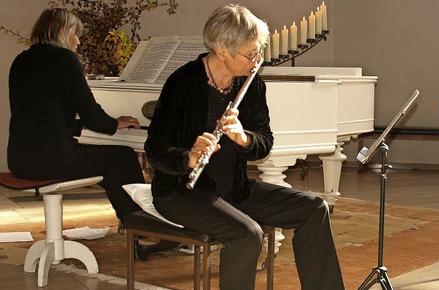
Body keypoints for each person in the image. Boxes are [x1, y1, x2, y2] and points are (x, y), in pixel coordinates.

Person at [144, 4, 345, 290]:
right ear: (222, 50)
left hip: (233, 189)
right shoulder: (182, 84)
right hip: (181, 192)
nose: (257, 60)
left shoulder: (251, 84)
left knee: (314, 208)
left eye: (258, 51)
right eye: (251, 53)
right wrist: (188, 157)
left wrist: (244, 138)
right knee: (247, 234)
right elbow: (154, 149)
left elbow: (265, 142)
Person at [7, 8, 176, 259]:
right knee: (121, 158)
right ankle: (144, 231)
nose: (78, 41)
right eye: (77, 35)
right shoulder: (64, 60)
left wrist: (89, 127)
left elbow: (41, 117)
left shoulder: (21, 60)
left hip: (20, 160)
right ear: (64, 31)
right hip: (52, 159)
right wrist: (114, 123)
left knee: (112, 160)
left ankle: (139, 224)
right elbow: (91, 115)